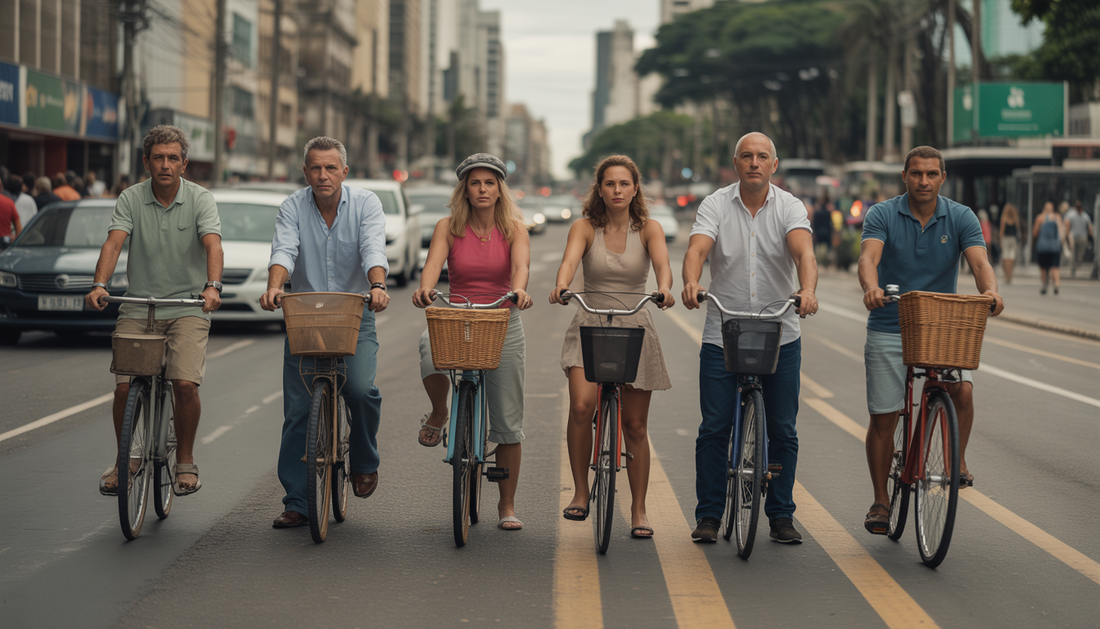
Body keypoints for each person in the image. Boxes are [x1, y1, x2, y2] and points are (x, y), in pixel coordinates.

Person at [858, 146, 1004, 534]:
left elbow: (979, 263)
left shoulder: (960, 217)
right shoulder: (883, 214)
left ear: (943, 178)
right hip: (889, 323)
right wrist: (871, 288)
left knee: (963, 392)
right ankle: (880, 501)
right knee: (885, 417)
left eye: (932, 174)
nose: (924, 181)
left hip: (941, 326)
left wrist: (990, 291)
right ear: (904, 176)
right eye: (916, 174)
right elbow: (868, 258)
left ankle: (956, 460)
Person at [681, 132, 819, 545]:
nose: (754, 163)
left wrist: (807, 289)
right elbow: (697, 251)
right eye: (747, 156)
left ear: (774, 165)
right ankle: (708, 515)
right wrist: (691, 282)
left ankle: (780, 515)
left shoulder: (790, 206)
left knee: (783, 429)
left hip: (781, 331)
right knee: (714, 427)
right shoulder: (715, 203)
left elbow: (804, 254)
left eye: (762, 156)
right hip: (724, 330)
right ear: (735, 164)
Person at [259, 136, 390, 529]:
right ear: (305, 172)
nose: (322, 175)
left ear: (344, 172)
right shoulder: (292, 207)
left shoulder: (366, 203)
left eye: (331, 168)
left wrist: (379, 286)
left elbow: (372, 249)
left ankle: (364, 459)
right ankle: (298, 501)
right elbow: (284, 250)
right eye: (315, 168)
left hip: (354, 312)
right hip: (305, 314)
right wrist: (274, 286)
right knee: (298, 410)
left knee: (361, 389)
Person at [85, 125, 223, 497]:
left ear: (184, 163)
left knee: (184, 384)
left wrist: (212, 286)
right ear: (146, 162)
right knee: (123, 387)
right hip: (138, 306)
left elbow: (213, 246)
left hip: (187, 307)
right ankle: (124, 459)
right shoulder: (130, 198)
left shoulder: (201, 199)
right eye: (158, 158)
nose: (165, 165)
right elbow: (114, 243)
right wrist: (100, 283)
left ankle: (186, 460)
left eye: (173, 158)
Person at [549, 155, 675, 539]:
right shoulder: (585, 226)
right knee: (581, 406)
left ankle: (638, 510)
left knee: (635, 426)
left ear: (635, 188)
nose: (617, 190)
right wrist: (562, 284)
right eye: (609, 184)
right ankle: (581, 492)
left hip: (635, 324)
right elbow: (570, 261)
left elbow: (663, 266)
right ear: (598, 189)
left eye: (624, 184)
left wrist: (665, 289)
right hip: (589, 324)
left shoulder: (650, 228)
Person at [413, 152, 532, 531]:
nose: (482, 189)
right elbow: (433, 263)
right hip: (457, 314)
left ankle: (506, 506)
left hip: (502, 318)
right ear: (464, 188)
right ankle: (439, 411)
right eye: (475, 182)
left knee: (508, 420)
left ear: (500, 189)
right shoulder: (448, 226)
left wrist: (518, 291)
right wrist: (426, 288)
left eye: (490, 182)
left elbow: (521, 267)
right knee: (430, 354)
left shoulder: (514, 228)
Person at [1032, 201, 1064, 295]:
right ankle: (1057, 284)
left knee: (1043, 267)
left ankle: (1044, 284)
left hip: (1043, 247)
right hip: (1055, 247)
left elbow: (1035, 232)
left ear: (1044, 208)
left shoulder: (1040, 218)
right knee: (1055, 266)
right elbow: (1061, 232)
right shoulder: (1057, 217)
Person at [1065, 200, 1093, 278]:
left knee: (1080, 256)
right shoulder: (1071, 214)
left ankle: (1076, 266)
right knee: (1073, 255)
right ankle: (1072, 271)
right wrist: (1067, 236)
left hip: (1082, 237)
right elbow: (1067, 224)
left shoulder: (1085, 215)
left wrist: (1090, 237)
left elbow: (1089, 227)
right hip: (1073, 237)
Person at [999, 203, 1021, 284]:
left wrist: (1000, 241)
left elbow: (1002, 231)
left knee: (1005, 256)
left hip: (1006, 238)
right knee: (1011, 257)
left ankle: (1006, 275)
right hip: (1013, 239)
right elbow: (1018, 230)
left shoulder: (1004, 218)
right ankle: (1010, 275)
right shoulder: (1015, 219)